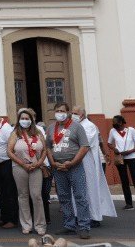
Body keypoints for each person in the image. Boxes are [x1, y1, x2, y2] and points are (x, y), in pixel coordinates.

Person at [46, 102, 92, 240]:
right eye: (57, 110)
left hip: (75, 167)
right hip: (58, 168)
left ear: (68, 113)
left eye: (62, 110)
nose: (60, 113)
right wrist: (53, 162)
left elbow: (84, 147)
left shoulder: (77, 127)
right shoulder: (50, 128)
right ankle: (69, 225)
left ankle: (84, 227)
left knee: (80, 197)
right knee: (64, 197)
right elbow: (48, 147)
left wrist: (72, 162)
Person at [72, 106, 116, 225]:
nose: (72, 115)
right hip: (76, 163)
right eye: (72, 113)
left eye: (75, 113)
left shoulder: (90, 126)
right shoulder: (74, 125)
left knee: (90, 190)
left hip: (88, 163)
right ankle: (79, 214)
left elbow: (85, 144)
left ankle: (93, 217)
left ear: (82, 114)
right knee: (78, 190)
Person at [6, 108, 47, 235]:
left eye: (27, 119)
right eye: (22, 119)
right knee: (23, 196)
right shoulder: (15, 133)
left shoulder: (38, 132)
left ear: (31, 120)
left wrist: (39, 163)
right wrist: (23, 164)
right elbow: (9, 151)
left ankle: (40, 225)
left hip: (36, 167)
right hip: (20, 167)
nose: (25, 121)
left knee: (37, 196)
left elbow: (45, 150)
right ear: (19, 120)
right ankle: (26, 225)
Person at [107, 114, 135, 211]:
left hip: (132, 158)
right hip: (120, 158)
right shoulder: (112, 131)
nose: (113, 124)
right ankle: (129, 204)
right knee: (124, 181)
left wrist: (129, 152)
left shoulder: (131, 130)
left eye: (115, 123)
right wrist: (115, 149)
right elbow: (109, 143)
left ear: (121, 122)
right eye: (113, 123)